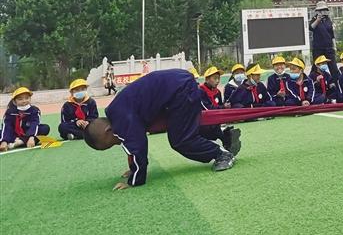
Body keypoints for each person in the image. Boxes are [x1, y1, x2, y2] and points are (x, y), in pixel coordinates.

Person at [83, 69, 238, 188]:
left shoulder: (122, 119)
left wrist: (135, 180)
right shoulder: (117, 111)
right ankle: (224, 135)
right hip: (178, 84)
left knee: (181, 140)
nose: (116, 143)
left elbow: (137, 147)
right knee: (184, 126)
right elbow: (131, 147)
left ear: (107, 131)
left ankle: (222, 155)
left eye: (108, 144)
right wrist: (133, 168)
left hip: (180, 89)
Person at [198, 67, 240, 153]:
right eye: (215, 78)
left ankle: (227, 142)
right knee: (216, 131)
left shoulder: (218, 92)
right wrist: (223, 107)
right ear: (207, 79)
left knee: (217, 129)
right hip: (202, 123)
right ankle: (226, 135)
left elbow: (220, 106)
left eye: (218, 78)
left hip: (214, 121)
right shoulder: (200, 91)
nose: (217, 81)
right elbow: (208, 109)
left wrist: (225, 107)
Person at [309, 0, 339, 79]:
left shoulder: (328, 20)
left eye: (324, 10)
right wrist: (317, 20)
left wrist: (334, 46)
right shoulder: (314, 19)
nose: (323, 12)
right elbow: (311, 27)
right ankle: (313, 81)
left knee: (333, 67)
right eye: (321, 10)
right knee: (316, 66)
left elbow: (331, 34)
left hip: (329, 47)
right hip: (318, 48)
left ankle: (336, 82)